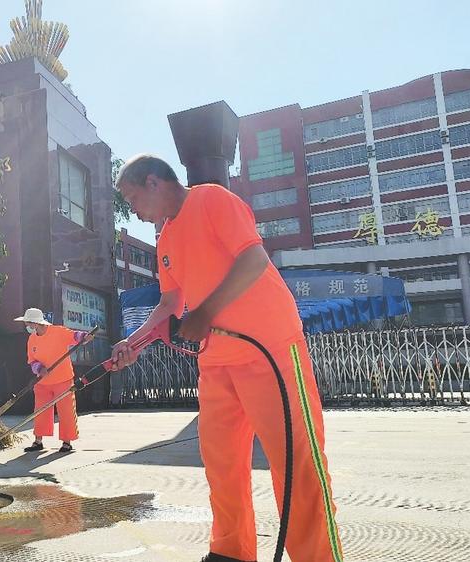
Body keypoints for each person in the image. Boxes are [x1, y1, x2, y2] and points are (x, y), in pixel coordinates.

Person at [110, 155, 343, 562]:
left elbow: (254, 260)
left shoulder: (213, 200)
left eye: (133, 200)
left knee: (296, 464)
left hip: (269, 348)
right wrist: (133, 343)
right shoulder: (166, 239)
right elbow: (169, 304)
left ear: (153, 182)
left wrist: (205, 313)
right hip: (216, 362)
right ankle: (231, 553)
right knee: (222, 467)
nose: (134, 212)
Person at [14, 308, 90, 453]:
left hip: (63, 379)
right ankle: (38, 441)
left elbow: (74, 336)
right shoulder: (32, 339)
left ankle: (66, 442)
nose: (26, 326)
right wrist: (39, 369)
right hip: (42, 382)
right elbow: (32, 361)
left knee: (66, 411)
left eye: (28, 323)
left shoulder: (58, 332)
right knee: (40, 412)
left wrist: (84, 336)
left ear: (35, 323)